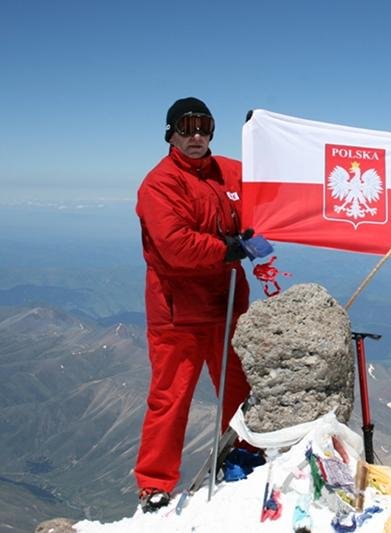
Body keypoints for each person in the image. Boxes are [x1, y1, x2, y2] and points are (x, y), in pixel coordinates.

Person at [134, 97, 257, 512]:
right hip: (178, 314)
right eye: (186, 128)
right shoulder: (160, 183)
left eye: (203, 127)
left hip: (226, 307)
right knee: (171, 397)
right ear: (170, 134)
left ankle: (243, 456)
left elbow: (271, 188)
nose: (196, 136)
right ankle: (155, 483)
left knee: (239, 390)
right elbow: (174, 245)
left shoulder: (230, 172)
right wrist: (228, 249)